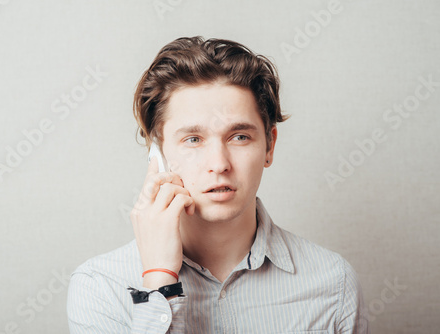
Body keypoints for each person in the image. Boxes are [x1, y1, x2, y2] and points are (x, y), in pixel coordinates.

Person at [67, 36, 368, 333]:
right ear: (157, 154)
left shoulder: (333, 284)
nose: (219, 163)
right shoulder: (100, 287)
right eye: (193, 140)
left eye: (239, 137)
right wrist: (159, 280)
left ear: (269, 147)